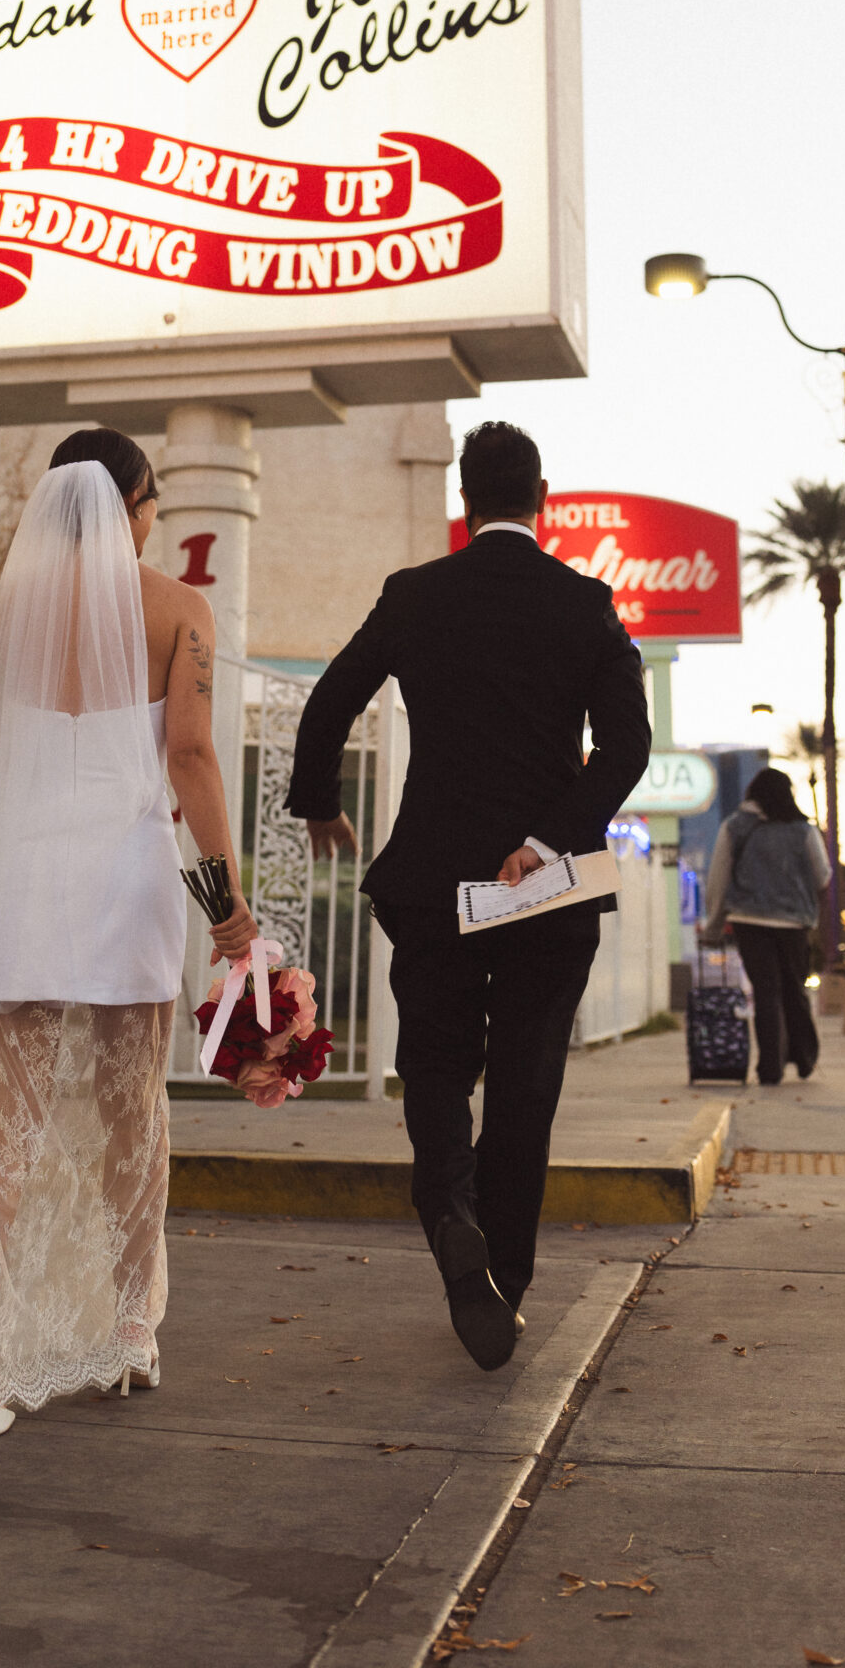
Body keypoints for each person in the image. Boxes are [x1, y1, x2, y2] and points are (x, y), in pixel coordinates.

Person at [287, 421, 650, 1371]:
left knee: (437, 1066)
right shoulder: (584, 603)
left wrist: (318, 800)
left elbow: (331, 699)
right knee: (526, 1081)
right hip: (546, 890)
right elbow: (626, 747)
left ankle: (451, 1214)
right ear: (544, 499)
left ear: (464, 501)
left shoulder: (415, 595)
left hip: (434, 877)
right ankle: (504, 1279)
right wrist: (544, 840)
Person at [0, 427, 254, 1445]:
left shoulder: (9, 612)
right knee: (130, 1116)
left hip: (19, 880)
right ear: (131, 507)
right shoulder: (179, 610)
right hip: (121, 883)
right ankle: (129, 1329)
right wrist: (227, 902)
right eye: (150, 506)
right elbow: (189, 755)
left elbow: (13, 747)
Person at [703, 766, 830, 1085]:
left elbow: (718, 880)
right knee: (794, 989)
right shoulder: (803, 830)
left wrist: (713, 927)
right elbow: (823, 876)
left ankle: (770, 1066)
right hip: (793, 923)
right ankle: (804, 1057)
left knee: (765, 992)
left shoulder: (734, 826)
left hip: (748, 921)